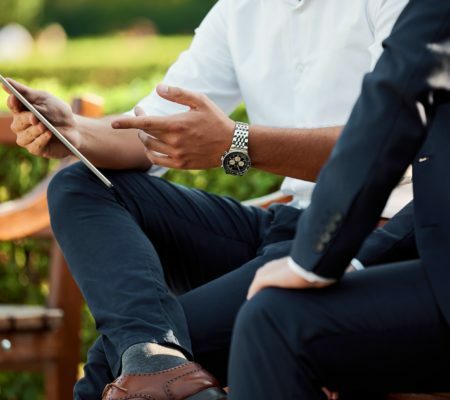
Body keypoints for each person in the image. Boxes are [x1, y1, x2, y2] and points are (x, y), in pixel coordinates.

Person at [3, 0, 409, 398]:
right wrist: (73, 131)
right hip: (285, 224)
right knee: (79, 185)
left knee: (108, 370)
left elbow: (389, 143)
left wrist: (239, 142)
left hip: (371, 235)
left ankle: (153, 361)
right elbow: (152, 130)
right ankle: (154, 356)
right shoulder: (240, 9)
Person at [227, 0, 450, 398]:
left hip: (361, 243)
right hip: (291, 229)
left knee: (273, 323)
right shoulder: (235, 12)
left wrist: (313, 259)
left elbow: (398, 96)